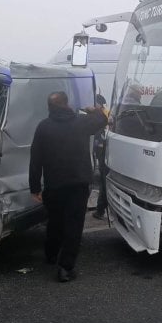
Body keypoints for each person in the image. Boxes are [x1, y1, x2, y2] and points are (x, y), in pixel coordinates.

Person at [29, 91, 107, 282]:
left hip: (54, 185)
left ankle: (51, 255)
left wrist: (34, 188)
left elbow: (35, 159)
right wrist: (93, 109)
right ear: (67, 104)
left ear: (50, 107)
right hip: (78, 184)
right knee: (74, 226)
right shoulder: (81, 122)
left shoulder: (43, 127)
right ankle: (65, 267)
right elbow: (104, 117)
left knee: (55, 222)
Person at [91, 93, 110, 220]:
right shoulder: (105, 113)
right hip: (103, 151)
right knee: (105, 181)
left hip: (104, 152)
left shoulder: (103, 114)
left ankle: (100, 210)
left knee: (104, 182)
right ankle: (101, 209)